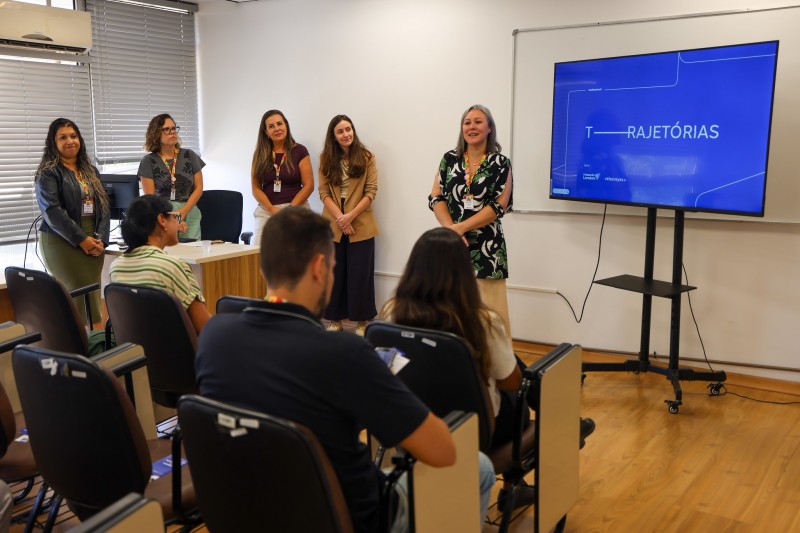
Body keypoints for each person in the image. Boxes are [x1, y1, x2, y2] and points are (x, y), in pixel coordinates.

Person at [195, 207, 457, 533]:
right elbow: (442, 451)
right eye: (333, 267)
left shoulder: (214, 336)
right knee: (483, 469)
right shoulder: (346, 354)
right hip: (344, 517)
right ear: (319, 268)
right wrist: (384, 382)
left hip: (251, 510)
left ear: (264, 270)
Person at [382, 227, 595, 509]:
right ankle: (558, 432)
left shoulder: (390, 314)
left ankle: (560, 428)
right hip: (479, 432)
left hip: (413, 417)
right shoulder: (480, 321)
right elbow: (511, 383)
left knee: (507, 368)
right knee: (519, 383)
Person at [428, 104, 513, 338]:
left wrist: (460, 228)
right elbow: (436, 197)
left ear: (489, 128)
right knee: (450, 308)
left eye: (477, 122)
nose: (471, 126)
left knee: (491, 314)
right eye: (467, 122)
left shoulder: (501, 163)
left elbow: (499, 206)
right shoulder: (449, 159)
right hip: (453, 245)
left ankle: (496, 367)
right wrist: (451, 231)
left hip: (488, 249)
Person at [34, 118, 110, 327]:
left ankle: (94, 343)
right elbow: (52, 211)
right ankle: (78, 347)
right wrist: (81, 240)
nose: (70, 141)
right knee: (76, 291)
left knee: (93, 293)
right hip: (61, 240)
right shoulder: (48, 172)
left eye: (74, 136)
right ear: (53, 143)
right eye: (63, 137)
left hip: (93, 239)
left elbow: (104, 205)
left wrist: (101, 238)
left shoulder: (90, 170)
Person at [110, 195, 211, 334]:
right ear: (162, 220)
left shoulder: (116, 266)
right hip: (177, 352)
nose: (178, 223)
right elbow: (205, 328)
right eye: (175, 217)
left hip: (136, 352)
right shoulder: (173, 267)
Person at [318, 115, 379, 335]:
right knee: (334, 272)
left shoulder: (367, 157)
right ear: (333, 136)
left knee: (360, 273)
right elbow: (323, 192)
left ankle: (362, 320)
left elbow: (371, 191)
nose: (346, 134)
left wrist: (350, 216)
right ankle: (334, 319)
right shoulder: (325, 158)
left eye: (349, 129)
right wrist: (340, 218)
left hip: (360, 221)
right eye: (340, 131)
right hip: (334, 222)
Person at [250, 110, 314, 246]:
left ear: (286, 125)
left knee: (298, 257)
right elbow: (255, 188)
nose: (277, 128)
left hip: (296, 209)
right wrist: (272, 210)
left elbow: (309, 185)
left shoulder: (300, 151)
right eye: (271, 126)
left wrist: (290, 210)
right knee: (257, 255)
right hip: (267, 210)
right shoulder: (260, 154)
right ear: (266, 132)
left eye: (279, 123)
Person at [139, 113, 204, 241]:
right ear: (156, 133)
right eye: (167, 129)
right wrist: (169, 219)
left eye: (174, 128)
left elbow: (199, 188)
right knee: (169, 254)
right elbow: (151, 198)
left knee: (192, 254)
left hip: (189, 210)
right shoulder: (148, 161)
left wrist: (184, 211)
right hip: (162, 214)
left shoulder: (189, 155)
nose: (172, 132)